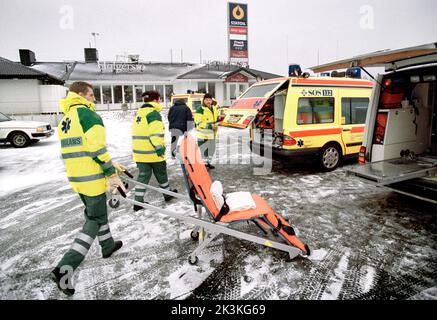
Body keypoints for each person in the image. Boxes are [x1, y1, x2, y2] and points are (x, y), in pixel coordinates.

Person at [50, 81, 126, 296]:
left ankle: (108, 245)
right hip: (92, 179)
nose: (95, 99)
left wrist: (112, 165)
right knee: (93, 221)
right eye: (92, 95)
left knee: (98, 215)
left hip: (78, 178)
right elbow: (97, 150)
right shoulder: (89, 116)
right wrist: (110, 172)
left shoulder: (67, 118)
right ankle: (64, 269)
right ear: (81, 95)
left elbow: (81, 150)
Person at [132, 90, 177, 211]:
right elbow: (155, 134)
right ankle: (167, 194)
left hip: (139, 153)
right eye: (159, 99)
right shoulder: (153, 114)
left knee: (143, 176)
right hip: (152, 153)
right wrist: (159, 148)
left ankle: (137, 201)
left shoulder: (139, 113)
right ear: (157, 100)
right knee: (161, 174)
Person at [194, 94, 220, 169]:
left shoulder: (214, 108)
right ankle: (203, 165)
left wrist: (219, 119)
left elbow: (217, 117)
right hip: (203, 134)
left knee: (211, 149)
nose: (208, 101)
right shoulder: (200, 109)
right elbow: (198, 122)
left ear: (212, 101)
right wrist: (209, 126)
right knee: (204, 150)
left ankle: (208, 163)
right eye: (207, 100)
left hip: (212, 134)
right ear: (204, 100)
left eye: (210, 100)